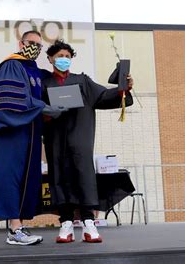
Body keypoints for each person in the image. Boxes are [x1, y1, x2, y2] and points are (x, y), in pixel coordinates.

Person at [42, 39, 133, 243]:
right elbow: (37, 110)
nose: (63, 60)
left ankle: (88, 223)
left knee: (83, 175)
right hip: (55, 139)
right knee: (59, 177)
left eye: (67, 56)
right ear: (50, 59)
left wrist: (122, 89)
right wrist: (47, 114)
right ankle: (65, 223)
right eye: (59, 57)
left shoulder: (82, 81)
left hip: (80, 138)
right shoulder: (43, 83)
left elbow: (103, 96)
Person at [0, 30, 55, 246]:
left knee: (26, 179)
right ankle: (14, 229)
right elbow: (12, 101)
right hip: (11, 131)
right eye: (31, 43)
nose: (34, 47)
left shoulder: (35, 71)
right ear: (20, 43)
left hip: (30, 132)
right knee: (11, 177)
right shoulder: (11, 65)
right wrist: (42, 106)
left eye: (39, 45)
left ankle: (19, 226)